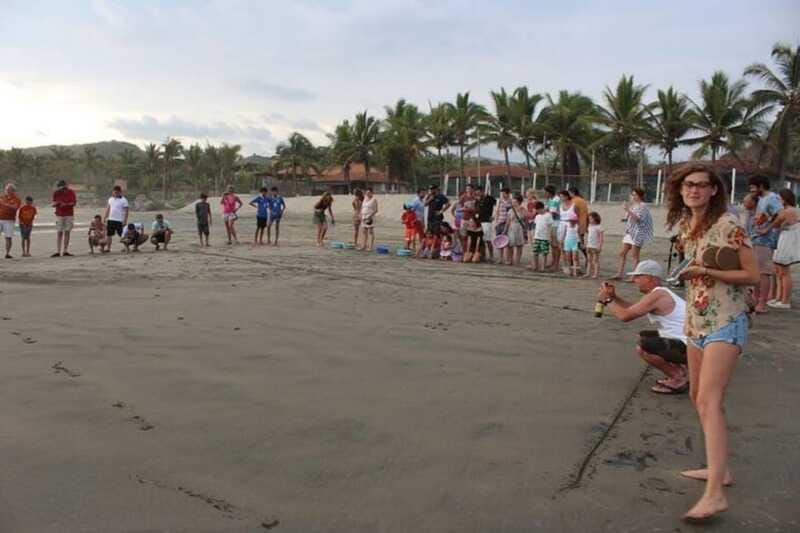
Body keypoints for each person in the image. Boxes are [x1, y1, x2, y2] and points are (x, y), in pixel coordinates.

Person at [664, 163, 759, 522]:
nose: (694, 191)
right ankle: (722, 470)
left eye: (702, 186)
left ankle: (715, 492)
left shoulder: (729, 225)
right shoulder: (689, 227)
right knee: (696, 397)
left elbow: (751, 276)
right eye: (688, 185)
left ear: (714, 190)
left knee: (709, 399)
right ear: (680, 190)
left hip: (726, 321)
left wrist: (706, 271)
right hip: (697, 321)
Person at [748, 175, 782, 313]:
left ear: (761, 185)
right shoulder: (762, 199)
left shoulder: (772, 198)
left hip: (765, 240)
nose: (751, 190)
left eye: (753, 187)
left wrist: (768, 228)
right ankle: (756, 300)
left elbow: (781, 214)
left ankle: (762, 302)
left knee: (764, 272)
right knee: (757, 270)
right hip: (756, 237)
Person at [761, 189, 799, 309]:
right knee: (779, 270)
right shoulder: (792, 210)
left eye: (779, 198)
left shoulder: (786, 211)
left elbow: (774, 224)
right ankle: (779, 298)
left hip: (787, 240)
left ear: (784, 199)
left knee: (783, 271)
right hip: (786, 239)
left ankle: (784, 300)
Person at [612, 187, 653, 280]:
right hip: (630, 232)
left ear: (640, 196)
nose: (633, 197)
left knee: (634, 255)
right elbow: (630, 218)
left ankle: (634, 275)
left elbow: (638, 219)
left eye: (635, 195)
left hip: (638, 233)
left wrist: (628, 210)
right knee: (622, 253)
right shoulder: (634, 206)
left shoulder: (643, 206)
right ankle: (619, 273)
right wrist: (625, 218)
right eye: (632, 195)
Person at [51, 179, 77, 257]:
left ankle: (65, 250)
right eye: (59, 187)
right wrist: (56, 204)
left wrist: (66, 204)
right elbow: (53, 202)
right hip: (59, 214)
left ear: (65, 186)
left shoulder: (71, 192)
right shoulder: (56, 193)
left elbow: (74, 202)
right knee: (59, 232)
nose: (61, 188)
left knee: (67, 231)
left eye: (62, 186)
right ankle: (58, 251)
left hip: (69, 214)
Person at [503, 193, 527, 266]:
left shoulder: (523, 209)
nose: (514, 203)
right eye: (513, 202)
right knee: (510, 245)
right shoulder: (510, 210)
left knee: (519, 245)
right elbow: (508, 221)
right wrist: (505, 231)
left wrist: (520, 210)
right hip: (512, 228)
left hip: (519, 228)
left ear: (519, 202)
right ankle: (510, 260)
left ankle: (517, 261)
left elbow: (525, 218)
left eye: (515, 202)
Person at [569, 186, 590, 269]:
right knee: (580, 243)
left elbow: (573, 214)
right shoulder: (583, 201)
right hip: (582, 224)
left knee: (576, 244)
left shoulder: (574, 201)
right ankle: (587, 258)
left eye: (569, 193)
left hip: (576, 225)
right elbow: (587, 214)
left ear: (573, 193)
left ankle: (573, 262)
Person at [529, 201, 552, 272]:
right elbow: (535, 226)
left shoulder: (548, 215)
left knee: (544, 253)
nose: (537, 211)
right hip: (537, 237)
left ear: (541, 208)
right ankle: (535, 266)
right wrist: (533, 236)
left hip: (544, 237)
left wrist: (549, 237)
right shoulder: (537, 216)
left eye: (538, 210)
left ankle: (543, 267)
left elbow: (550, 226)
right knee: (535, 252)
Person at [104, 185, 129, 251]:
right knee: (109, 235)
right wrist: (105, 217)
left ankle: (125, 247)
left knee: (122, 234)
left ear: (120, 192)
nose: (116, 194)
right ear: (113, 192)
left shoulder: (124, 200)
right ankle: (108, 248)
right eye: (115, 192)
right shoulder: (110, 199)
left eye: (117, 192)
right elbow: (108, 209)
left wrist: (125, 220)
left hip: (119, 220)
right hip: (111, 219)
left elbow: (126, 211)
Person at [0, 183, 22, 259]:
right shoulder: (2, 197)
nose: (7, 191)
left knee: (8, 237)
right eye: (6, 189)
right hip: (0, 218)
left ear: (13, 191)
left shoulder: (17, 199)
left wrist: (4, 204)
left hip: (9, 220)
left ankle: (7, 253)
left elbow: (15, 207)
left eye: (9, 189)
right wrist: (7, 205)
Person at [475, 187, 496, 261]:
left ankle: (491, 256)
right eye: (477, 193)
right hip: (479, 221)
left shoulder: (489, 198)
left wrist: (493, 216)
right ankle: (482, 255)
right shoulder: (478, 200)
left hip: (487, 221)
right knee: (481, 240)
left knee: (487, 239)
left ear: (482, 191)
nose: (478, 194)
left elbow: (496, 205)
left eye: (479, 193)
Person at [544, 185, 562, 270]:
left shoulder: (556, 199)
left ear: (549, 192)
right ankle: (553, 261)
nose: (545, 194)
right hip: (551, 224)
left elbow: (552, 213)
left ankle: (556, 264)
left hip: (556, 224)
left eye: (546, 192)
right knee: (552, 245)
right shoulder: (550, 200)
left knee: (555, 245)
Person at [585, 212, 604, 279]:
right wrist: (586, 243)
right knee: (589, 260)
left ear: (595, 218)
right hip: (589, 245)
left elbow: (601, 238)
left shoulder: (599, 227)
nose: (590, 220)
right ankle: (588, 273)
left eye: (591, 219)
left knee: (595, 260)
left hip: (595, 246)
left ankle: (596, 274)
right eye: (589, 219)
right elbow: (589, 236)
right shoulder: (590, 226)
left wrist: (600, 246)